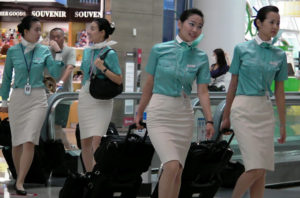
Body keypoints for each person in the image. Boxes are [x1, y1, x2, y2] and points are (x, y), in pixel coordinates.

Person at [135, 8, 214, 198]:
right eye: (191, 24)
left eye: (200, 26)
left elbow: (202, 91)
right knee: (170, 165)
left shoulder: (201, 57)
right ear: (180, 23)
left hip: (184, 114)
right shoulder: (159, 50)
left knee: (178, 169)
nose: (195, 29)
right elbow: (149, 83)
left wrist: (210, 120)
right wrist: (140, 112)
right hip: (160, 112)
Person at [220, 6, 287, 198]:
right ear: (258, 23)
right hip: (243, 110)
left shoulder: (279, 55)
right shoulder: (242, 49)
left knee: (262, 169)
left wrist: (282, 124)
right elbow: (233, 84)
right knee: (255, 168)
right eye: (271, 22)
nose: (275, 26)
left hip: (265, 111)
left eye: (278, 23)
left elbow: (280, 92)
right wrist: (226, 116)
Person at [0, 15, 63, 195]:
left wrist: (57, 53)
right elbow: (6, 79)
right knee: (17, 142)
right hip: (18, 97)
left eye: (39, 29)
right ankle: (20, 175)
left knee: (30, 140)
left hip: (38, 98)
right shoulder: (12, 51)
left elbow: (55, 73)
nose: (39, 33)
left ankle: (20, 182)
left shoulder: (43, 51)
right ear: (25, 31)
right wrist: (4, 100)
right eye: (36, 29)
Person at [78, 18, 122, 172]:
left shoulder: (110, 53)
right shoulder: (87, 51)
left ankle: (99, 176)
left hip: (102, 100)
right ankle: (90, 176)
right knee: (85, 141)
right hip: (85, 97)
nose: (89, 31)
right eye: (89, 28)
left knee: (97, 140)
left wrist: (102, 68)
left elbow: (118, 79)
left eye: (93, 28)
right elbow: (84, 73)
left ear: (102, 32)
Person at [48, 27, 76, 149]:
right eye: (52, 37)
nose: (55, 39)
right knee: (50, 124)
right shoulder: (46, 51)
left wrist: (59, 83)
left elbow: (69, 68)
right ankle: (63, 147)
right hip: (47, 95)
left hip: (63, 96)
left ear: (63, 38)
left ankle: (66, 147)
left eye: (58, 36)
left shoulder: (69, 51)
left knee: (57, 125)